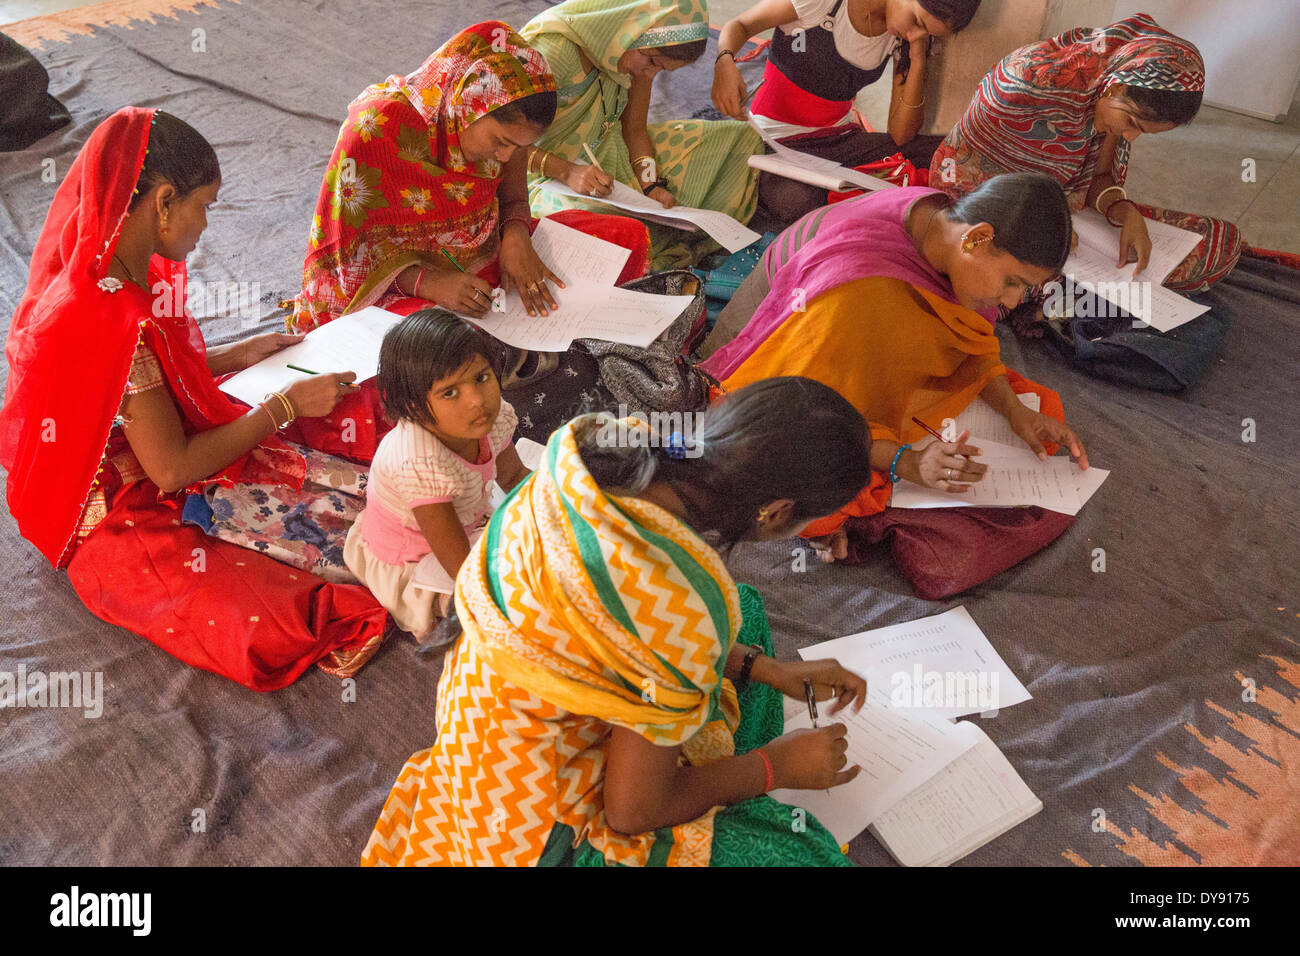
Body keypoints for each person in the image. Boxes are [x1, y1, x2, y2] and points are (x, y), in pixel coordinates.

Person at [362, 377, 875, 866]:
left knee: (745, 613)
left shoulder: (607, 446)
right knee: (798, 854)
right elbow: (632, 813)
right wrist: (776, 767)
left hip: (482, 724)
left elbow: (624, 622)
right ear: (778, 511)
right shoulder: (683, 608)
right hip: (533, 829)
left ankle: (715, 757)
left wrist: (768, 670)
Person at [0, 107, 387, 690]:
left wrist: (233, 357)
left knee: (342, 421)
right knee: (266, 618)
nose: (205, 226)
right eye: (203, 206)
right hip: (118, 505)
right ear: (162, 202)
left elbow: (124, 386)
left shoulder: (105, 271)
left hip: (146, 445)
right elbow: (174, 468)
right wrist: (282, 406)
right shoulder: (115, 320)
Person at [288, 21, 651, 460]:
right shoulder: (378, 129)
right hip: (396, 291)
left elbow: (514, 197)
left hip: (488, 254)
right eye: (499, 142)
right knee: (427, 348)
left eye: (517, 148)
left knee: (624, 236)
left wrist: (516, 235)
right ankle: (523, 354)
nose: (504, 157)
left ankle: (517, 355)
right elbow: (347, 264)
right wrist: (428, 283)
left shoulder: (506, 136)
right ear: (467, 105)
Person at [701, 173, 1089, 550]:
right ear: (975, 238)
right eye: (1012, 281)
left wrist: (1013, 410)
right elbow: (809, 413)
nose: (1011, 303)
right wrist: (908, 462)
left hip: (861, 323)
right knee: (810, 501)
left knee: (1038, 405)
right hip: (813, 333)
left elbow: (969, 344)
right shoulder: (859, 290)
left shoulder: (942, 227)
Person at [929, 12, 1241, 313]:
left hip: (1068, 216)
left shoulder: (1105, 91)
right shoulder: (1024, 87)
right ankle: (1061, 297)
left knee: (1212, 241)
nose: (1130, 137)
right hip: (986, 213)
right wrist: (1051, 228)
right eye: (1132, 122)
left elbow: (1099, 176)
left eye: (1142, 132)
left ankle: (1071, 296)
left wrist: (1122, 210)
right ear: (1116, 87)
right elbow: (971, 186)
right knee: (1001, 275)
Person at [520, 0, 764, 269]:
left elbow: (634, 129)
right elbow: (502, 143)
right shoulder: (554, 51)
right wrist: (567, 171)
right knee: (598, 229)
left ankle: (649, 245)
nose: (647, 73)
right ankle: (650, 246)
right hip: (544, 177)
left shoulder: (633, 52)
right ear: (629, 26)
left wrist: (651, 186)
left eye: (659, 69)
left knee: (742, 142)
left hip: (613, 162)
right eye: (651, 62)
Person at [343, 310, 529, 640]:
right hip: (416, 560)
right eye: (450, 393)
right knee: (496, 608)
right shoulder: (420, 464)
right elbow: (460, 567)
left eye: (481, 378)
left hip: (465, 522)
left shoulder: (491, 419)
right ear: (413, 407)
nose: (476, 401)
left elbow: (515, 478)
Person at [713, 0, 980, 225]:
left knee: (944, 152)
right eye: (917, 22)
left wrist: (918, 55)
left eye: (926, 33)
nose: (915, 33)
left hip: (840, 140)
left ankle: (860, 206)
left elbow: (901, 134)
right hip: (776, 143)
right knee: (797, 201)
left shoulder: (901, 39)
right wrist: (724, 60)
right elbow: (740, 25)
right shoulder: (826, 3)